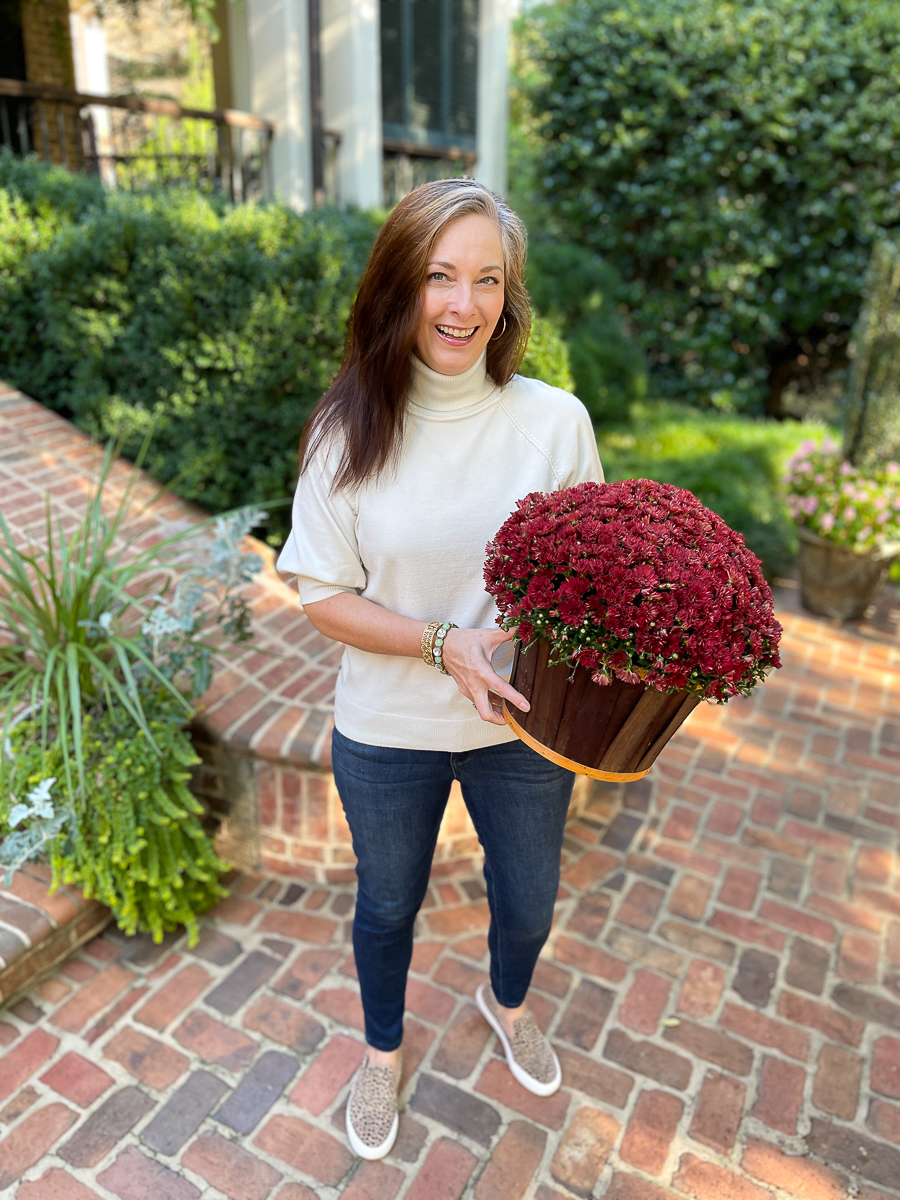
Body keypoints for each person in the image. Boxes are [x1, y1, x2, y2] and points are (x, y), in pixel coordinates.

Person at [277, 177, 603, 1160]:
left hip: (518, 725)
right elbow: (321, 595)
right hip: (388, 728)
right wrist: (437, 642)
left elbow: (594, 568)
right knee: (385, 901)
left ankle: (505, 1000)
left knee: (533, 900)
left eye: (488, 281)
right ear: (398, 287)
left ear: (510, 297)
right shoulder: (347, 430)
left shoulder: (554, 423)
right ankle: (382, 1053)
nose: (464, 305)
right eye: (439, 277)